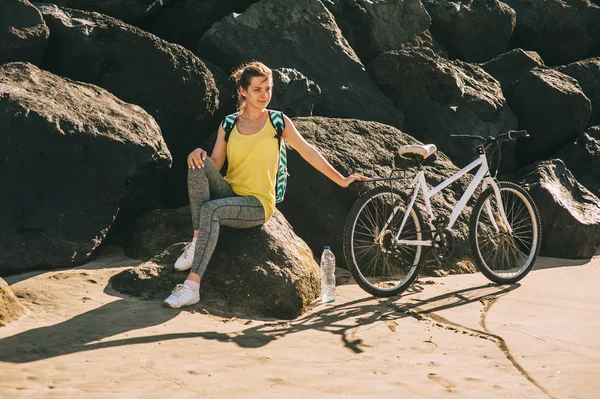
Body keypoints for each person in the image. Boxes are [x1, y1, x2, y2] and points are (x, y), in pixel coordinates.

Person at [163, 61, 369, 308]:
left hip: (257, 204)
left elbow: (308, 151)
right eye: (258, 89)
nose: (264, 95)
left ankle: (192, 286)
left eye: (268, 89)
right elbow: (215, 165)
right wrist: (198, 153)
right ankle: (197, 242)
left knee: (211, 210)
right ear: (243, 91)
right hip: (229, 191)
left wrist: (342, 180)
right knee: (196, 164)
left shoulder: (277, 122)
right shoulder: (228, 124)